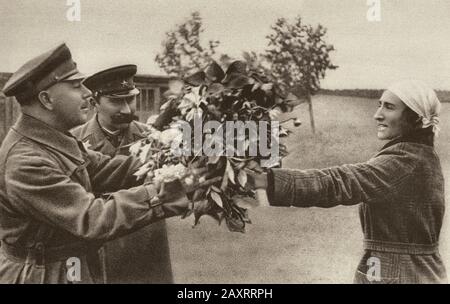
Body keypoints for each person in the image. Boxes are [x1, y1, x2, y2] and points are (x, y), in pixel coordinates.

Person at [0, 43, 207, 284]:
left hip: (66, 268)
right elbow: (92, 217)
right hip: (41, 274)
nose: (88, 94)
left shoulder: (54, 140)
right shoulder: (26, 159)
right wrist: (163, 193)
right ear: (46, 99)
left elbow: (110, 169)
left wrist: (183, 154)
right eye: (76, 86)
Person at [248, 80, 447, 283]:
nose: (377, 114)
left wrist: (266, 181)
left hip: (400, 272)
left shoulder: (406, 161)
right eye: (380, 104)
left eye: (389, 107)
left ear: (414, 118)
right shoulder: (420, 155)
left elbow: (338, 182)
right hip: (413, 270)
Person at [72, 65, 173, 283]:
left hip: (145, 250)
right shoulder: (74, 142)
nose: (127, 109)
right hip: (98, 251)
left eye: (130, 99)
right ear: (93, 103)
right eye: (116, 101)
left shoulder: (154, 140)